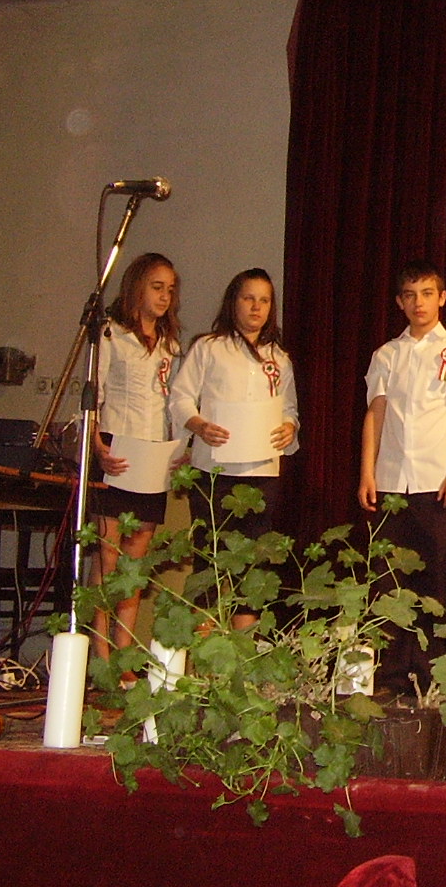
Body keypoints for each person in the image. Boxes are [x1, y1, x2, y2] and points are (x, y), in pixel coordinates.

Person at [359, 260, 446, 700]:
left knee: (437, 583)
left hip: (439, 481)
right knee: (390, 584)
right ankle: (391, 678)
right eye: (410, 295)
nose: (419, 303)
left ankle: (435, 679)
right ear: (399, 302)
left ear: (443, 298)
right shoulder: (386, 354)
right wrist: (367, 472)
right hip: (393, 482)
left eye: (427, 293)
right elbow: (376, 414)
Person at [169, 268, 299, 627]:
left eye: (264, 300)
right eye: (249, 298)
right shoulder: (209, 348)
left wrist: (289, 428)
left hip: (262, 473)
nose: (256, 307)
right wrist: (199, 425)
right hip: (215, 472)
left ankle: (244, 651)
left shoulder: (278, 358)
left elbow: (289, 409)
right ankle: (205, 649)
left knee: (253, 566)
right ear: (233, 302)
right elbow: (180, 398)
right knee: (209, 560)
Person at [91, 252, 182, 667]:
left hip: (153, 450)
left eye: (170, 290)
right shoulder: (112, 334)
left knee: (136, 559)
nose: (164, 296)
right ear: (136, 288)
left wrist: (178, 447)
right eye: (156, 287)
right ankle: (101, 653)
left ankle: (125, 652)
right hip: (118, 445)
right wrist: (96, 443)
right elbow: (94, 394)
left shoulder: (168, 344)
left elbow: (172, 402)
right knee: (108, 555)